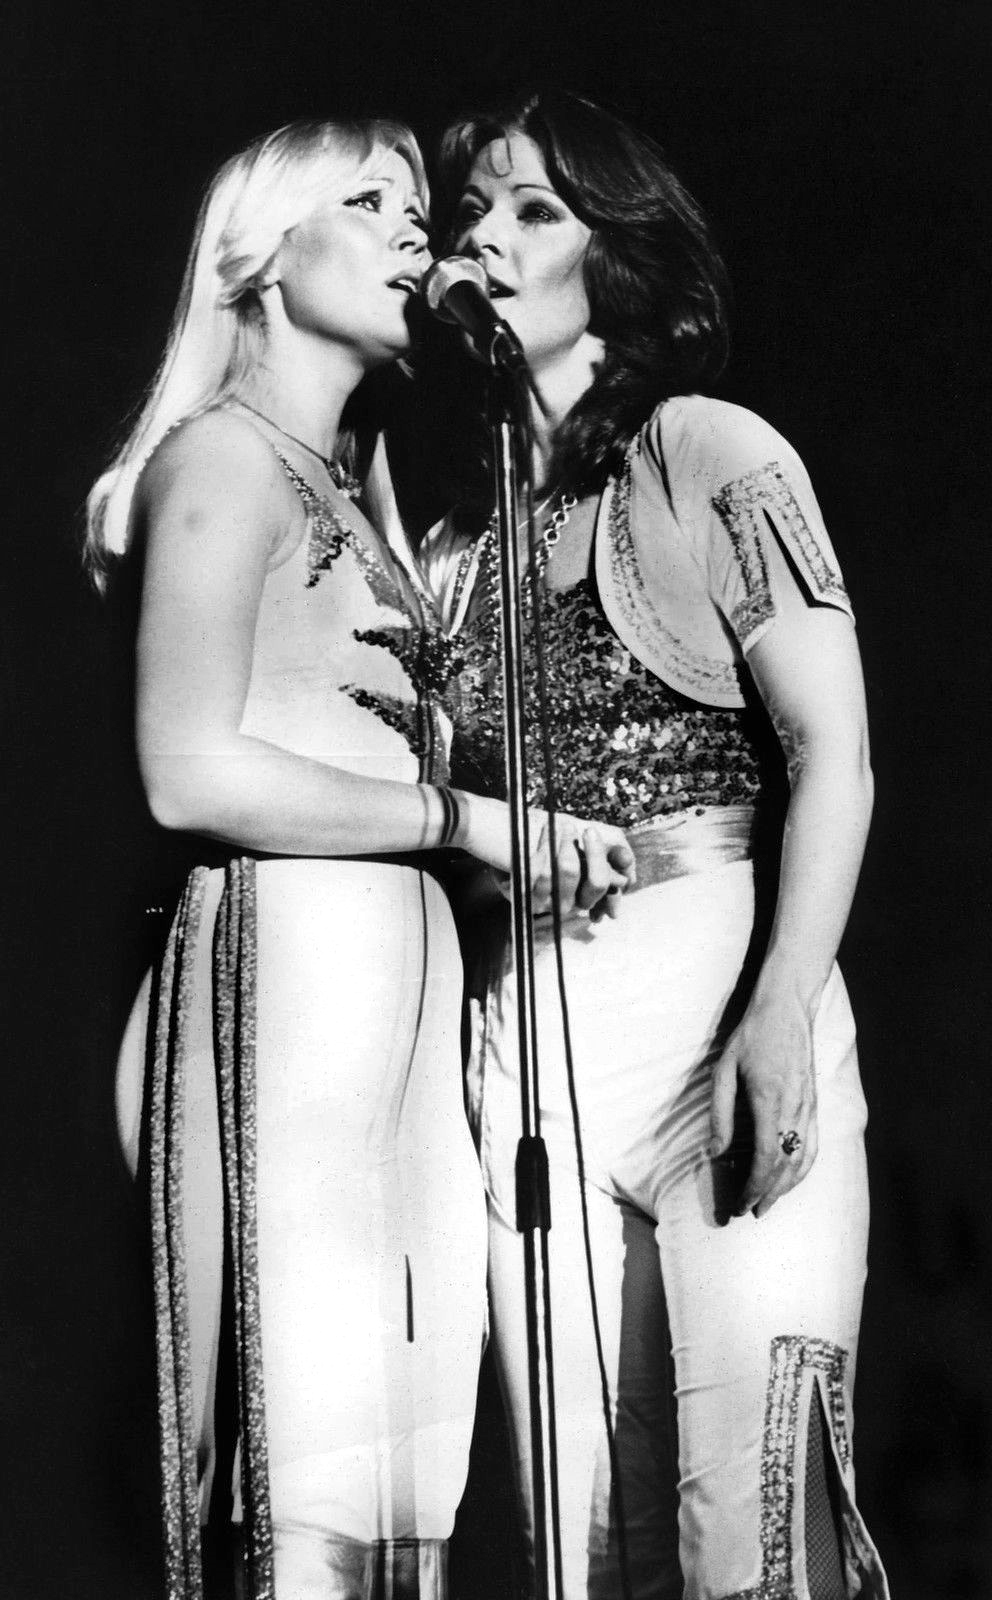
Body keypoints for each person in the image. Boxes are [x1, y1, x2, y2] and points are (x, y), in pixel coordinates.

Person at [86, 116, 632, 1600]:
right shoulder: (222, 458)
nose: (416, 232)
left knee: (405, 1495)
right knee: (309, 1486)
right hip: (289, 987)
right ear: (264, 260)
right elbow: (186, 767)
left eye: (418, 206)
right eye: (372, 202)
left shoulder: (352, 487)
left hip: (397, 1006)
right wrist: (466, 823)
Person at [422, 90, 890, 1599]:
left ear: (615, 257)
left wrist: (781, 1010)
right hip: (532, 1045)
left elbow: (837, 756)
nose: (487, 238)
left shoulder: (706, 451)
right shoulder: (456, 545)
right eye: (471, 210)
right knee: (583, 1552)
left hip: (717, 1001)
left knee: (748, 1528)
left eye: (536, 210)